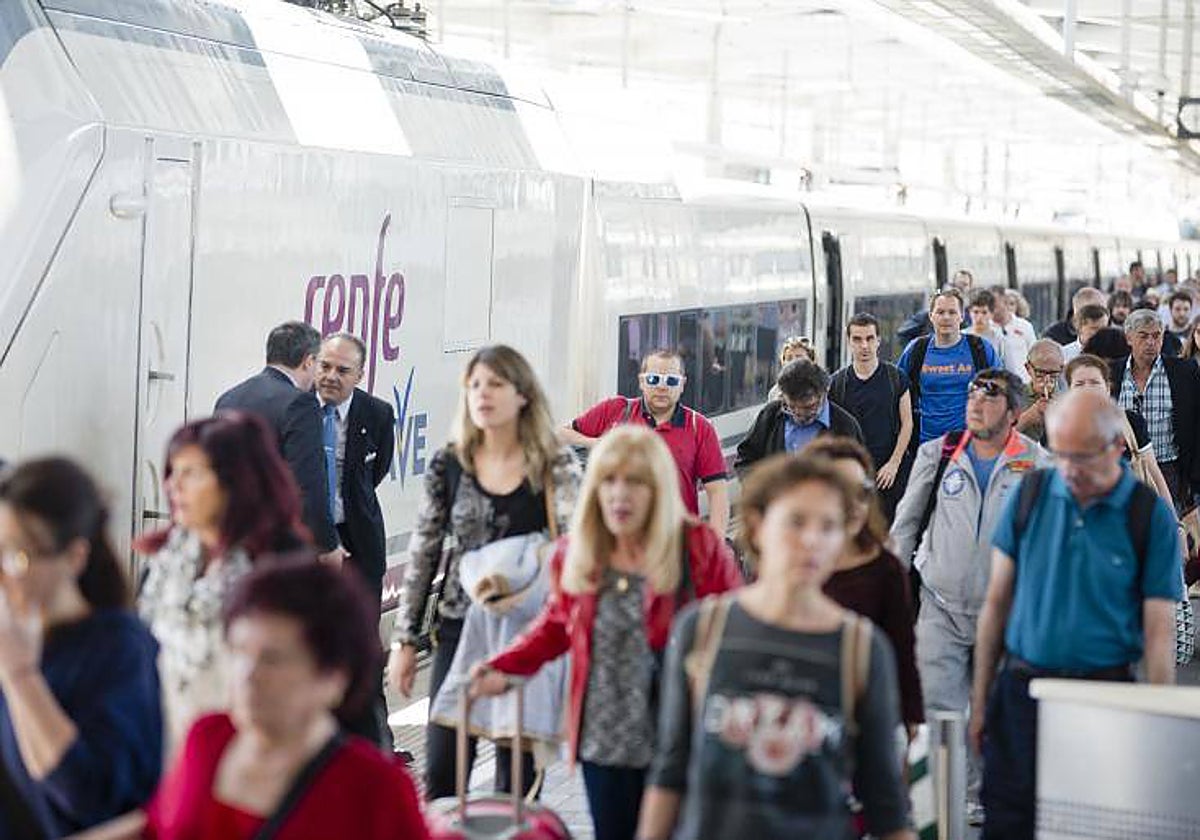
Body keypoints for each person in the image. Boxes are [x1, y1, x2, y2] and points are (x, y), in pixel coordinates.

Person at [468, 427, 741, 840]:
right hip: (603, 743)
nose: (619, 495)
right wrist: (503, 667)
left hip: (679, 742)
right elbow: (557, 625)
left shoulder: (696, 546)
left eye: (635, 482)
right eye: (608, 481)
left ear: (658, 489)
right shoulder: (575, 553)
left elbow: (737, 632)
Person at [637, 454, 914, 840]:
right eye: (796, 521)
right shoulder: (703, 629)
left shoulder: (862, 650)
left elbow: (886, 803)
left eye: (828, 526)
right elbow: (671, 769)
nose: (812, 541)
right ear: (757, 526)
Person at [85, 559, 431, 840]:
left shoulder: (376, 789)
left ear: (333, 677)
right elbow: (157, 827)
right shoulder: (208, 738)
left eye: (272, 659)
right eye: (239, 652)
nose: (247, 675)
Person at [969, 390, 1181, 840]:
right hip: (1023, 692)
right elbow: (996, 605)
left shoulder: (1147, 517)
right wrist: (982, 699)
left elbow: (1159, 635)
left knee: (1093, 828)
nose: (1068, 470)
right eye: (1059, 454)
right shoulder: (1030, 495)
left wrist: (1157, 727)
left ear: (1117, 447)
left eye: (1081, 458)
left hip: (1103, 698)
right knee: (1008, 823)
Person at [388, 345, 581, 800]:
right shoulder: (450, 463)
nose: (483, 394)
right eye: (475, 385)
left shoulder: (552, 463)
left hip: (530, 635)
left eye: (496, 384)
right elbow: (424, 550)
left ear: (523, 395)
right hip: (460, 627)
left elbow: (577, 550)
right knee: (442, 773)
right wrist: (404, 641)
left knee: (517, 784)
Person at [889, 368, 1048, 825]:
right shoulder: (938, 453)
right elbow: (905, 524)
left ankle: (982, 799)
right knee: (935, 707)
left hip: (1006, 615)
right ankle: (937, 804)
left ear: (1014, 413)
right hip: (940, 607)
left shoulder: (1037, 464)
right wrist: (893, 591)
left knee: (993, 710)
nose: (976, 403)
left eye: (990, 396)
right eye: (972, 395)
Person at [0, 459, 162, 839]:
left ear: (74, 557)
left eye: (17, 556)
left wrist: (21, 676)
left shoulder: (121, 648)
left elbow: (89, 798)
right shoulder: (20, 636)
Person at [136, 413, 307, 746]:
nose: (173, 485)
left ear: (236, 481)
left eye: (191, 473)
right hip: (171, 745)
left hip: (251, 749)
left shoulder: (281, 565)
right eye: (173, 472)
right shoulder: (166, 562)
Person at [806, 436, 923, 736]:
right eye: (842, 491)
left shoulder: (885, 568)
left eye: (863, 492)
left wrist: (910, 718)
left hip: (868, 717)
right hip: (806, 715)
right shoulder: (791, 564)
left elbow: (902, 650)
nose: (855, 504)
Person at [312, 333, 395, 748]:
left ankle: (374, 741)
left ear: (360, 375)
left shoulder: (376, 414)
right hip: (311, 544)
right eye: (324, 366)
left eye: (342, 370)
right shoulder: (298, 410)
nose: (330, 376)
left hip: (359, 542)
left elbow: (375, 472)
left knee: (364, 643)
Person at [560, 349, 729, 538]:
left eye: (671, 381)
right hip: (617, 542)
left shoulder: (700, 428)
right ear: (641, 381)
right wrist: (595, 443)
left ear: (682, 384)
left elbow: (717, 493)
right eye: (653, 379)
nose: (662, 387)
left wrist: (715, 546)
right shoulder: (614, 410)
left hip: (675, 542)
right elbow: (561, 434)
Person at [214, 322, 339, 562]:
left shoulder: (228, 398)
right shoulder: (300, 404)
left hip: (231, 538)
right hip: (277, 545)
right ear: (308, 361)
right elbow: (308, 485)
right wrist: (327, 545)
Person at [1111, 309, 1200, 510]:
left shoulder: (1184, 371)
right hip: (1124, 470)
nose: (1151, 342)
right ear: (1129, 338)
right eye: (1143, 336)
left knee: (1169, 523)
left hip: (1170, 470)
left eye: (1156, 336)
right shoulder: (1112, 372)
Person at [828, 313, 914, 519]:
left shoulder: (896, 377)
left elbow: (907, 423)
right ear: (849, 342)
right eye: (857, 339)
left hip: (890, 474)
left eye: (869, 338)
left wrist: (894, 463)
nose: (864, 346)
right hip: (853, 475)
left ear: (878, 341)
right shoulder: (837, 383)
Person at [1065, 354, 1173, 506]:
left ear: (1107, 389)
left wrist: (1171, 516)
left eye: (1095, 383)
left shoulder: (1131, 422)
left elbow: (1153, 472)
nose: (1088, 389)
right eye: (1079, 384)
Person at [897, 287, 998, 445]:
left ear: (962, 316)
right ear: (931, 316)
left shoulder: (980, 349)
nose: (946, 317)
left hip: (970, 444)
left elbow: (1001, 389)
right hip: (926, 444)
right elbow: (897, 391)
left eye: (952, 312)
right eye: (940, 312)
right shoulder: (916, 350)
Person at [735, 359, 864, 474]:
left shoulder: (846, 427)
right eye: (791, 407)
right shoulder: (771, 415)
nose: (799, 415)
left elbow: (858, 476)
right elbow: (745, 458)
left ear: (825, 391)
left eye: (809, 407)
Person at [896, 269, 974, 345]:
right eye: (957, 284)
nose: (960, 288)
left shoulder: (973, 316)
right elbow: (903, 333)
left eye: (964, 285)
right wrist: (918, 350)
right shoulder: (927, 315)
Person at [1014, 340, 1065, 445]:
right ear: (1028, 368)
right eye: (1040, 373)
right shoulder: (1014, 397)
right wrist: (1027, 419)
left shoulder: (1069, 399)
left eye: (1053, 374)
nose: (1046, 379)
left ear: (1062, 369)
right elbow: (997, 441)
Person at [988, 285, 1036, 382]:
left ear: (1004, 302)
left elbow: (1035, 355)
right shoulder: (985, 329)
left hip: (1022, 384)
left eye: (995, 305)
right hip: (995, 385)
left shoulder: (1024, 326)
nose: (992, 309)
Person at [767, 336, 818, 401]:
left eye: (799, 357)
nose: (793, 362)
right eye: (789, 358)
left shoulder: (820, 390)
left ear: (811, 360)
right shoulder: (775, 393)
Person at [966, 290, 1005, 358]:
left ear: (992, 314)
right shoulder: (962, 336)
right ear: (970, 313)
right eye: (976, 312)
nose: (979, 317)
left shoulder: (998, 337)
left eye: (984, 312)